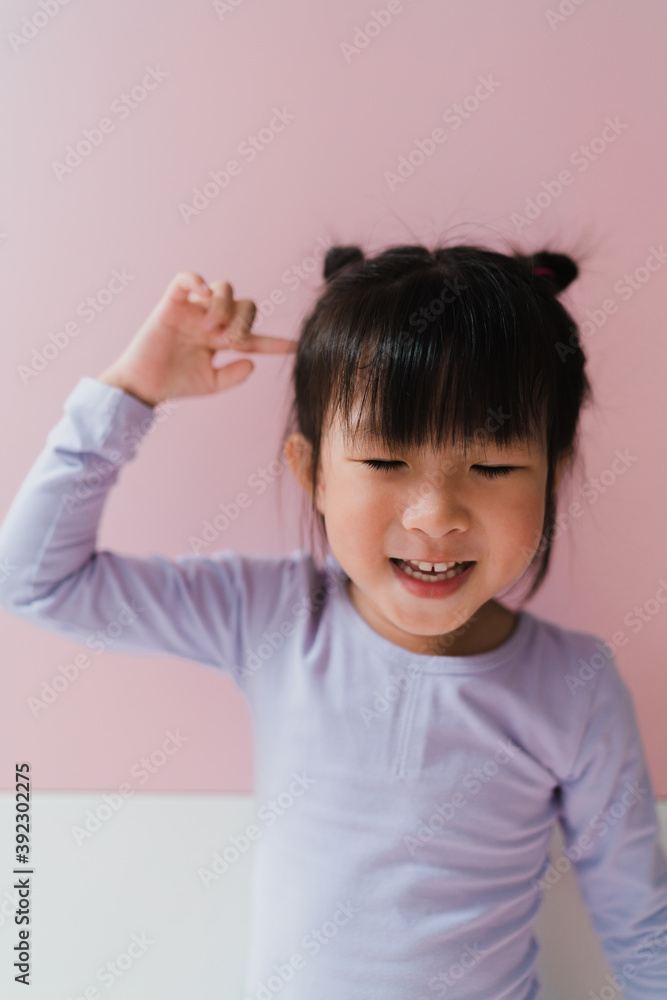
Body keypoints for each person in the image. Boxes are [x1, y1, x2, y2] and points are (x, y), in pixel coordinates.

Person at [1, 241, 666, 1000]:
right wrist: (131, 392)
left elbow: (642, 931)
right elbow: (34, 582)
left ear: (551, 475)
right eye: (384, 463)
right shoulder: (270, 617)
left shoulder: (576, 686)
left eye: (491, 467)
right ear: (312, 472)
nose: (435, 516)